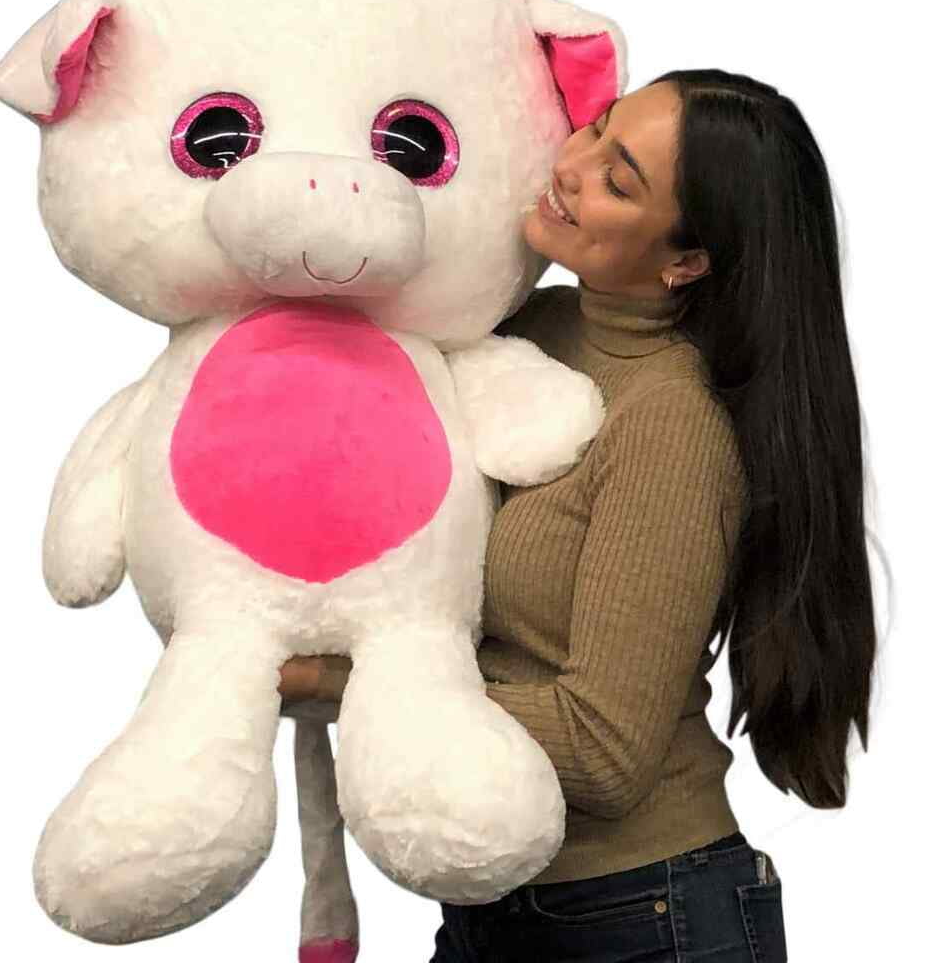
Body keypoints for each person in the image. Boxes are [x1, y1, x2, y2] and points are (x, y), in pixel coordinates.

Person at [280, 69, 878, 962]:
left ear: (685, 262)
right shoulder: (528, 329)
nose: (571, 166)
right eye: (596, 129)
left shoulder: (669, 425)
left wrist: (344, 681)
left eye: (618, 179)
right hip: (499, 906)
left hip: (647, 913)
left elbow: (605, 750)